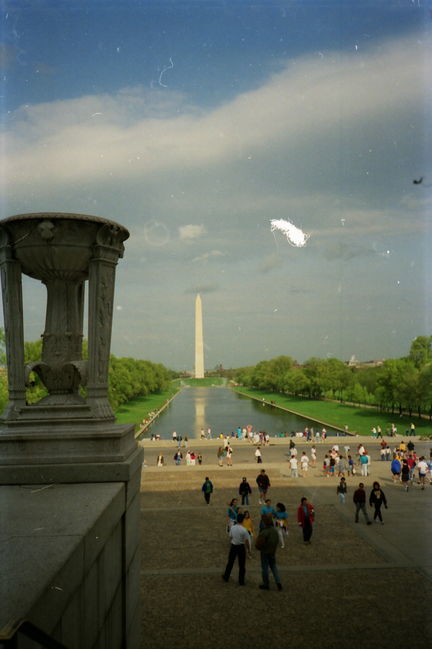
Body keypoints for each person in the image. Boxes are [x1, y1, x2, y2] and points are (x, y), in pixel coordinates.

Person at [222, 513, 251, 586]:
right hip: (241, 547)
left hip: (233, 546)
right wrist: (248, 549)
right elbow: (246, 541)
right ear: (243, 520)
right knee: (242, 565)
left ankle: (226, 576)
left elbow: (230, 537)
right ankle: (241, 581)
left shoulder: (233, 527)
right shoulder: (244, 530)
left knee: (230, 562)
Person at [255, 513, 282, 590]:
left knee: (265, 568)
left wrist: (260, 548)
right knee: (274, 567)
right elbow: (277, 541)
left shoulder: (264, 532)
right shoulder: (275, 531)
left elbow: (258, 545)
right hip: (272, 552)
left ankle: (266, 584)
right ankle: (278, 582)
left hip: (265, 552)